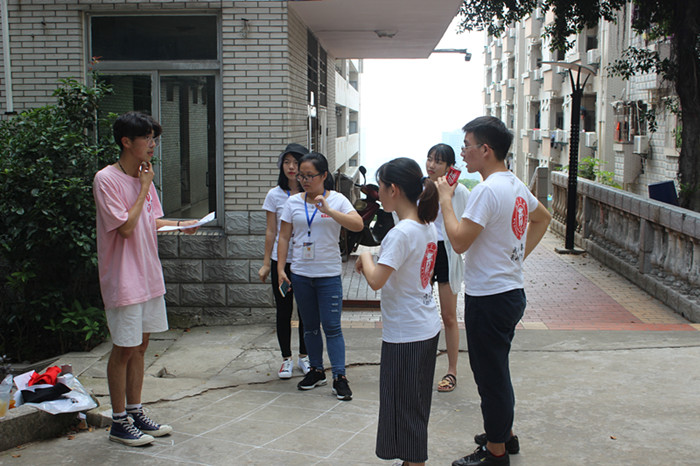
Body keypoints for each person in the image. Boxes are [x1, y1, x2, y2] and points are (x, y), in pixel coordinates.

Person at [436, 116, 551, 466]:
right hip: (509, 293)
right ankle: (505, 434)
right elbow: (542, 217)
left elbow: (457, 242)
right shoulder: (513, 183)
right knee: (497, 370)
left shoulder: (487, 190)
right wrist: (515, 259)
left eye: (467, 146)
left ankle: (496, 453)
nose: (463, 152)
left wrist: (445, 198)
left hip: (489, 298)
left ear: (485, 150)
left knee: (490, 377)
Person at [93, 111, 199, 446]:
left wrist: (184, 225)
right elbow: (125, 227)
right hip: (123, 277)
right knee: (123, 348)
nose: (152, 145)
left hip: (148, 273)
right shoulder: (107, 179)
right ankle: (118, 420)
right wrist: (142, 187)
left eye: (154, 139)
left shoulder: (144, 175)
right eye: (147, 139)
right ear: (127, 142)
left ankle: (136, 411)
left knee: (141, 346)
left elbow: (151, 222)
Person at [355, 158, 441, 466]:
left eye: (380, 187)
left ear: (393, 189)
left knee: (405, 409)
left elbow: (376, 281)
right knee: (413, 405)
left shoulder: (401, 233)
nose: (377, 194)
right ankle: (410, 460)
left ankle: (414, 462)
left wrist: (365, 257)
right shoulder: (425, 225)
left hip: (406, 334)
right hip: (424, 325)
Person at [277, 152, 363, 401]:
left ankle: (339, 376)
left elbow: (357, 224)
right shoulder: (292, 202)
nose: (304, 180)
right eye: (301, 176)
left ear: (324, 176)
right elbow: (284, 236)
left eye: (310, 176)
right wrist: (282, 268)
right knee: (310, 327)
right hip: (301, 274)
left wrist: (328, 210)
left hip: (328, 274)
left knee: (333, 327)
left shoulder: (337, 200)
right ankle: (316, 370)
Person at [258, 143, 310, 379]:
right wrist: (267, 263)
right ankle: (286, 359)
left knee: (307, 312)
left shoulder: (310, 193)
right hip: (283, 264)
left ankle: (305, 357)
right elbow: (271, 231)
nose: (291, 167)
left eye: (296, 162)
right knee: (284, 311)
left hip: (306, 263)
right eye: (287, 162)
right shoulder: (274, 195)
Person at [425, 143, 469, 393]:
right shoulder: (421, 188)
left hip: (446, 254)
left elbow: (467, 223)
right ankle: (421, 364)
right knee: (422, 310)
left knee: (449, 316)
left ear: (450, 167)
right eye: (429, 159)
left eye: (438, 161)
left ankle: (451, 371)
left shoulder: (459, 191)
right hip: (424, 250)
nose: (431, 165)